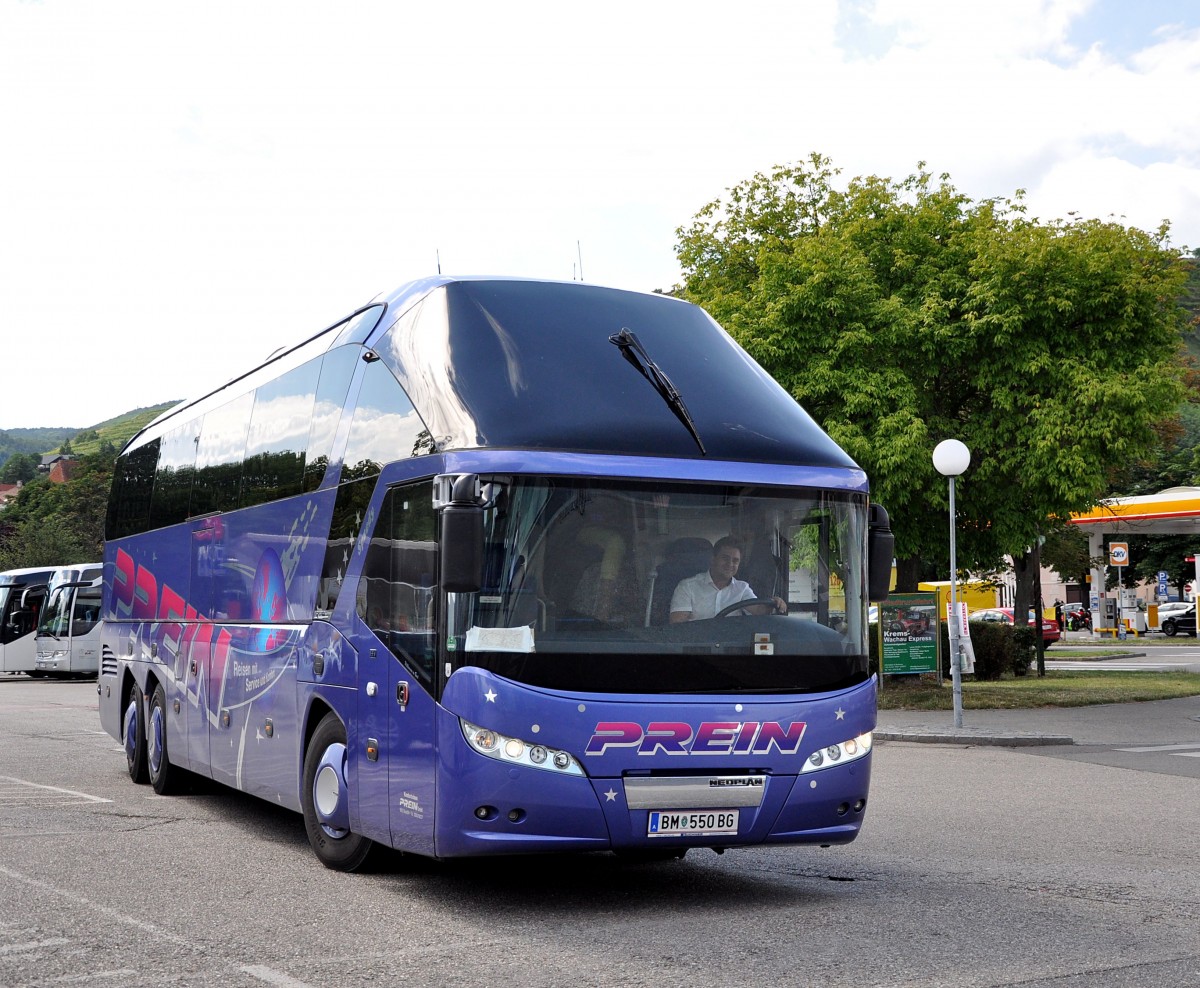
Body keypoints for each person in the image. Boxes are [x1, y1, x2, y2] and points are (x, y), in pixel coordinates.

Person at [669, 536, 786, 623]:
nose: (730, 564)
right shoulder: (687, 586)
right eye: (725, 558)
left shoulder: (742, 588)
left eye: (735, 561)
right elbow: (678, 626)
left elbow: (759, 611)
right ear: (713, 559)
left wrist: (774, 602)